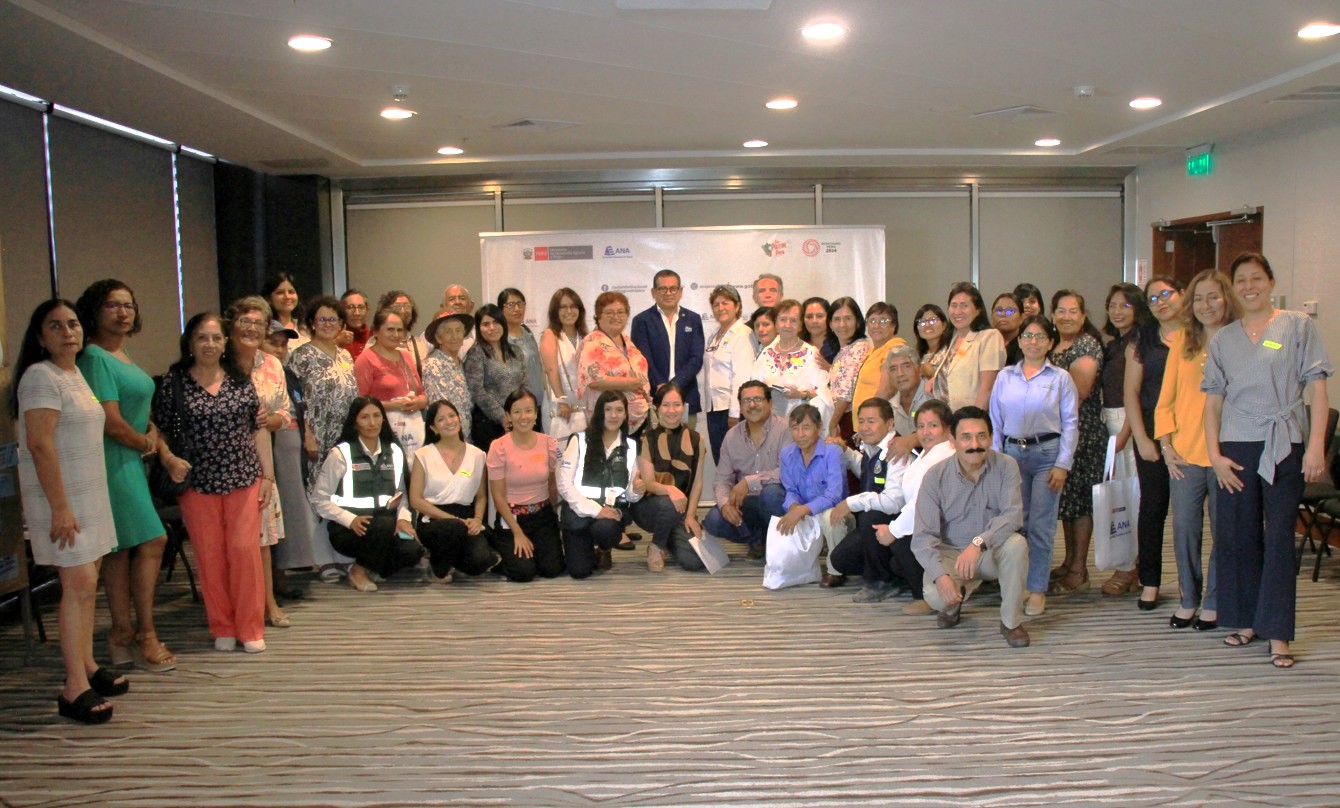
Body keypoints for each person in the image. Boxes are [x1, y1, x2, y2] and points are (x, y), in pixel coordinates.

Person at [1205, 253, 1332, 669]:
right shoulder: (1223, 338)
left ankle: (1278, 632)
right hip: (1237, 446)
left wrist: (1315, 447)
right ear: (1233, 287)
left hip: (1284, 444)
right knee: (1239, 536)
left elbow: (1318, 390)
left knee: (1279, 538)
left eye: (1256, 278)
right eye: (1240, 280)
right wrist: (1215, 456)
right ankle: (1245, 621)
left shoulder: (1298, 326)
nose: (1248, 286)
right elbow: (1213, 404)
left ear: (1271, 281)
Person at [14, 299, 124, 723]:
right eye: (55, 327)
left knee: (87, 584)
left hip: (88, 496)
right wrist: (60, 507)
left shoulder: (75, 373)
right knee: (77, 585)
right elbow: (40, 445)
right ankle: (72, 685)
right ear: (40, 337)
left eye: (73, 324)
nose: (67, 333)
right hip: (62, 500)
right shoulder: (40, 377)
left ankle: (88, 665)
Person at [152, 312, 272, 654]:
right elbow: (159, 430)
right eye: (203, 337)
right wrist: (169, 458)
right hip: (196, 481)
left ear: (224, 343)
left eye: (216, 338)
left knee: (244, 552)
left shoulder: (240, 380)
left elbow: (257, 427)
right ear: (190, 342)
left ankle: (250, 627)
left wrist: (268, 475)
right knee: (209, 555)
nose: (210, 344)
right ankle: (222, 624)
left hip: (242, 476)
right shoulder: (173, 383)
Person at [74, 280, 174, 674]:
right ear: (95, 310)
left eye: (129, 305)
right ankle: (144, 634)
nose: (123, 312)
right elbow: (110, 423)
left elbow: (133, 410)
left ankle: (120, 635)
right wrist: (146, 444)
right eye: (113, 305)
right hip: (111, 458)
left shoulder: (121, 354)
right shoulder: (95, 357)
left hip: (128, 458)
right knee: (154, 539)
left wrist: (150, 433)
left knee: (119, 551)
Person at [1156, 269, 1241, 631]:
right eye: (1199, 298)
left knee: (1225, 532)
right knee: (1186, 530)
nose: (1206, 305)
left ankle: (1215, 602)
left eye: (1214, 297)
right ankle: (1189, 599)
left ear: (1227, 300)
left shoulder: (1244, 341)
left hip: (1228, 454)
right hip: (1186, 455)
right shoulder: (1182, 342)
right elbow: (1165, 400)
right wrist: (1165, 444)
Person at [912, 406, 1030, 648]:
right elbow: (922, 538)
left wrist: (979, 543)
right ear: (952, 441)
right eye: (966, 437)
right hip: (952, 553)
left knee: (1017, 544)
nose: (974, 444)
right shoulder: (935, 477)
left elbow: (1013, 515)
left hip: (988, 551)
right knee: (936, 595)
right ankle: (953, 603)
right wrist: (942, 577)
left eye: (982, 436)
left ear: (991, 437)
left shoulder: (1007, 465)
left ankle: (1010, 623)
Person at [989, 315, 1078, 616]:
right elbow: (996, 423)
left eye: (1040, 337)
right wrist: (997, 461)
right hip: (1012, 454)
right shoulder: (1005, 377)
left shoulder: (1060, 378)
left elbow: (1071, 423)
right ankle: (1018, 584)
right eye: (1028, 336)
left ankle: (1037, 589)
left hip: (1046, 456)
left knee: (1041, 524)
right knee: (1016, 522)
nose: (1033, 342)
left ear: (1050, 342)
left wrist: (1063, 463)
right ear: (1020, 340)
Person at [309, 397, 423, 592]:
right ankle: (359, 570)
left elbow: (402, 494)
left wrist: (404, 519)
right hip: (349, 531)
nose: (372, 423)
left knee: (413, 551)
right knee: (384, 526)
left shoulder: (395, 451)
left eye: (377, 416)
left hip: (388, 525)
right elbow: (319, 499)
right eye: (365, 417)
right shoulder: (341, 454)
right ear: (355, 421)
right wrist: (350, 519)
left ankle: (372, 567)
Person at [225, 297, 291, 629]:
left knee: (262, 537)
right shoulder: (218, 363)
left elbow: (285, 414)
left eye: (258, 324)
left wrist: (269, 419)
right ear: (231, 326)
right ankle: (234, 607)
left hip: (261, 459)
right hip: (223, 461)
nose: (251, 329)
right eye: (244, 322)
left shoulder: (271, 365)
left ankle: (268, 603)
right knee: (232, 540)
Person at [1125, 276, 1185, 610]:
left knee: (1189, 515)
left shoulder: (1199, 334)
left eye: (1166, 293)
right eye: (1152, 298)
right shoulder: (1143, 338)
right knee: (1153, 507)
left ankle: (1196, 586)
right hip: (1150, 429)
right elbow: (1131, 392)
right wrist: (1142, 438)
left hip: (1190, 430)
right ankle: (1150, 581)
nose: (1161, 301)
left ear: (1181, 294)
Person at [868, 400, 958, 613]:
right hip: (924, 518)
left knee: (903, 543)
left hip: (946, 527)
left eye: (933, 426)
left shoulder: (944, 455)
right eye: (921, 426)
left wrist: (893, 530)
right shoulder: (927, 453)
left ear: (947, 428)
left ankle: (926, 597)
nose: (925, 432)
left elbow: (923, 502)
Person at [1047, 290, 1106, 597]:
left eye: (1073, 311)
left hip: (1083, 434)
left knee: (1080, 504)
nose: (1066, 316)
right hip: (1061, 434)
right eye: (1061, 310)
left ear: (1083, 316)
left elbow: (1079, 392)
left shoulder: (1087, 345)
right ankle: (1069, 563)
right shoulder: (1053, 344)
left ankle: (1080, 570)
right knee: (1067, 503)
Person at [258, 321, 318, 615]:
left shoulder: (288, 374)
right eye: (273, 343)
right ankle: (266, 585)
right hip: (266, 449)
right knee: (267, 516)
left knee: (286, 516)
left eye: (283, 344)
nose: (280, 350)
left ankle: (279, 577)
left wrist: (306, 435)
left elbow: (300, 409)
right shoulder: (255, 374)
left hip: (290, 446)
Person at [409, 399, 503, 583]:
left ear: (460, 420)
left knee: (480, 561)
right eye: (441, 419)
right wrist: (453, 520)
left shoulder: (478, 455)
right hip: (434, 519)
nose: (449, 421)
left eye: (452, 416)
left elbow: (481, 496)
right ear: (433, 428)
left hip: (466, 518)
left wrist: (477, 520)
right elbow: (416, 500)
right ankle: (438, 568)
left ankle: (450, 559)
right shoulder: (424, 455)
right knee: (453, 529)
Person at [1095, 283, 1150, 596]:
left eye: (1124, 306)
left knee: (1131, 499)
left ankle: (1130, 565)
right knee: (1121, 497)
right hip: (1111, 423)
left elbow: (1136, 394)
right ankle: (1131, 561)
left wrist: (1125, 435)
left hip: (1127, 427)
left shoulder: (1140, 342)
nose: (1116, 311)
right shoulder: (1116, 343)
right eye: (1112, 305)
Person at [821, 398, 908, 592]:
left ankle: (883, 581)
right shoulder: (874, 447)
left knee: (870, 516)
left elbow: (894, 501)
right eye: (861, 421)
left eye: (871, 421)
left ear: (889, 423)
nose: (865, 427)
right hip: (877, 527)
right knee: (840, 560)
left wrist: (851, 503)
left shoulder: (897, 450)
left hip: (901, 526)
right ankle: (892, 571)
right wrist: (845, 450)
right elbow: (868, 471)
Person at [558, 390, 643, 578]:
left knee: (607, 529)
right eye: (608, 409)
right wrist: (596, 510)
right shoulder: (580, 440)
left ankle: (604, 549)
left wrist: (637, 490)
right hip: (578, 512)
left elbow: (629, 494)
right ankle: (585, 547)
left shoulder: (630, 445)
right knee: (579, 572)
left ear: (626, 414)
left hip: (608, 515)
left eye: (619, 410)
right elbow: (564, 484)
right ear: (599, 412)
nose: (614, 415)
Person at [702, 381, 791, 559]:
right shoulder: (732, 436)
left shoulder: (786, 429)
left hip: (779, 498)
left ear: (770, 403)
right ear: (741, 407)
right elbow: (722, 480)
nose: (752, 405)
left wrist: (748, 482)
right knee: (713, 520)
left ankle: (784, 543)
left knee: (771, 494)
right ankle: (759, 538)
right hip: (748, 503)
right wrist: (726, 504)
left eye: (757, 399)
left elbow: (787, 473)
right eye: (746, 401)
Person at [488, 390, 564, 581]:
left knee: (552, 570)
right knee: (524, 573)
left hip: (542, 515)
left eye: (529, 411)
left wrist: (555, 518)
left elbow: (552, 485)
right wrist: (518, 533)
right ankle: (503, 558)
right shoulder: (499, 447)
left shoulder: (548, 443)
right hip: (512, 517)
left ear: (536, 414)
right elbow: (497, 496)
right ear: (508, 416)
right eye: (517, 412)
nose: (524, 417)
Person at [632, 384, 707, 572]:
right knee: (667, 503)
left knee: (694, 562)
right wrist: (670, 489)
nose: (671, 411)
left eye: (677, 405)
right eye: (665, 405)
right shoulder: (646, 438)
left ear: (684, 406)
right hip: (650, 508)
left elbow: (697, 483)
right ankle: (656, 546)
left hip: (681, 510)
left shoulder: (697, 439)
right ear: (657, 408)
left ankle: (668, 538)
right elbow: (648, 483)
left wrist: (690, 516)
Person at [288, 295, 359, 491]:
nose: (327, 324)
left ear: (341, 324)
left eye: (332, 319)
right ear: (312, 323)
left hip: (344, 434)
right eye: (321, 319)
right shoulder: (302, 356)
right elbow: (294, 399)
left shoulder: (345, 355)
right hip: (317, 436)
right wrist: (307, 435)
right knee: (319, 491)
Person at [631, 269, 705, 424]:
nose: (668, 293)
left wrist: (673, 386)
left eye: (673, 288)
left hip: (686, 396)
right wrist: (662, 387)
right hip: (654, 398)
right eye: (662, 288)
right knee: (656, 446)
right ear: (653, 292)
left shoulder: (693, 319)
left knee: (687, 446)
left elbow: (696, 359)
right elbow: (643, 360)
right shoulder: (642, 321)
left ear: (680, 291)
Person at [356, 307, 429, 456]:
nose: (396, 335)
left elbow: (422, 394)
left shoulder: (406, 356)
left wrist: (417, 402)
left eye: (399, 330)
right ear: (375, 331)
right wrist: (394, 405)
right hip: (382, 432)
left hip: (412, 432)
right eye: (390, 329)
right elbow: (360, 403)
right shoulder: (366, 359)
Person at [576, 291, 652, 434]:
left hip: (637, 420)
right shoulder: (593, 341)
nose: (616, 317)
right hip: (609, 422)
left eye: (621, 312)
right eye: (609, 313)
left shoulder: (625, 339)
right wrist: (629, 383)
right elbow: (593, 380)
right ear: (599, 316)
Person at [702, 284, 756, 463]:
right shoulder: (715, 334)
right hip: (714, 409)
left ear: (737, 306)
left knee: (738, 463)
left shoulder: (743, 334)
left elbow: (741, 377)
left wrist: (735, 413)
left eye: (725, 303)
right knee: (722, 462)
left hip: (732, 411)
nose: (720, 308)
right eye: (716, 305)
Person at [464, 303, 527, 452]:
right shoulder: (476, 353)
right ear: (479, 328)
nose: (492, 328)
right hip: (489, 423)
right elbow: (477, 390)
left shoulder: (515, 351)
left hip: (517, 420)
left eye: (496, 322)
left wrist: (520, 412)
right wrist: (502, 417)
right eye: (486, 324)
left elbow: (524, 383)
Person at [934, 282, 1005, 411]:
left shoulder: (989, 337)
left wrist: (974, 420)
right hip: (948, 419)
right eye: (953, 306)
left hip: (970, 421)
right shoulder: (953, 338)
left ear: (978, 310)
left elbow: (987, 388)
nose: (957, 311)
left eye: (964, 306)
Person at [752, 298, 826, 419]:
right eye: (783, 320)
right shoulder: (766, 354)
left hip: (802, 423)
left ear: (800, 325)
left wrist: (800, 395)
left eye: (793, 320)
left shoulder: (810, 353)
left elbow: (824, 394)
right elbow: (754, 387)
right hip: (770, 422)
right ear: (775, 323)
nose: (787, 325)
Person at [539, 288, 588, 442]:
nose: (569, 311)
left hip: (582, 406)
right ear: (555, 311)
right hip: (559, 407)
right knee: (559, 455)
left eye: (573, 306)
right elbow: (551, 369)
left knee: (581, 452)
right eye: (563, 307)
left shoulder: (585, 337)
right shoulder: (550, 335)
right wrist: (562, 401)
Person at [422, 312, 475, 443]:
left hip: (466, 438)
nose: (454, 336)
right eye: (448, 332)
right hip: (446, 439)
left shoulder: (463, 363)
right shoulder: (432, 365)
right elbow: (439, 408)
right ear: (439, 338)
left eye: (458, 331)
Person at [824, 296, 871, 440]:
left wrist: (832, 424)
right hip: (841, 417)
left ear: (857, 322)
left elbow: (846, 395)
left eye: (848, 318)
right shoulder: (843, 351)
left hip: (850, 420)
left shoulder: (859, 349)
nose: (842, 324)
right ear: (830, 324)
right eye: (837, 319)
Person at [498, 287, 546, 414]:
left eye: (520, 304)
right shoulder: (500, 338)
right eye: (511, 305)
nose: (517, 309)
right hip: (517, 407)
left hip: (538, 402)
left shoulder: (527, 332)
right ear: (501, 309)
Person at [885, 342, 930, 459]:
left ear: (919, 369)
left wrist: (912, 439)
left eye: (906, 366)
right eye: (893, 369)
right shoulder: (890, 407)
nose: (900, 374)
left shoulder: (934, 396)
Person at [378, 290, 431, 380]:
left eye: (407, 306)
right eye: (397, 306)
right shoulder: (377, 343)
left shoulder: (419, 343)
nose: (403, 311)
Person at [262, 272, 309, 352]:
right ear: (269, 299)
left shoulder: (305, 328)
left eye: (291, 292)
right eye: (280, 293)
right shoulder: (265, 329)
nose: (287, 297)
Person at [914, 303, 950, 396]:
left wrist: (932, 373)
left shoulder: (951, 353)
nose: (927, 325)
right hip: (919, 406)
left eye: (932, 320)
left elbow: (957, 384)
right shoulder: (916, 355)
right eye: (922, 322)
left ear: (944, 325)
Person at [801, 296, 838, 365]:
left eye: (819, 316)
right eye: (809, 316)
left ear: (829, 318)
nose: (814, 321)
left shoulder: (839, 345)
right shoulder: (797, 346)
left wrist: (829, 368)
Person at [441, 283, 475, 356]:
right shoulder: (434, 333)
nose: (457, 302)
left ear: (471, 305)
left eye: (462, 298)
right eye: (451, 299)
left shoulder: (481, 330)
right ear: (443, 307)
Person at [991, 292, 1024, 366]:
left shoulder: (1026, 345)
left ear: (1022, 317)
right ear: (992, 316)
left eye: (1010, 311)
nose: (1003, 314)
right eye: (999, 311)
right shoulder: (985, 342)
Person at [337, 289, 372, 360]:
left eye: (361, 307)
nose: (357, 313)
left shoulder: (375, 337)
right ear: (342, 311)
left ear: (367, 311)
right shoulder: (333, 337)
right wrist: (337, 343)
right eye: (350, 307)